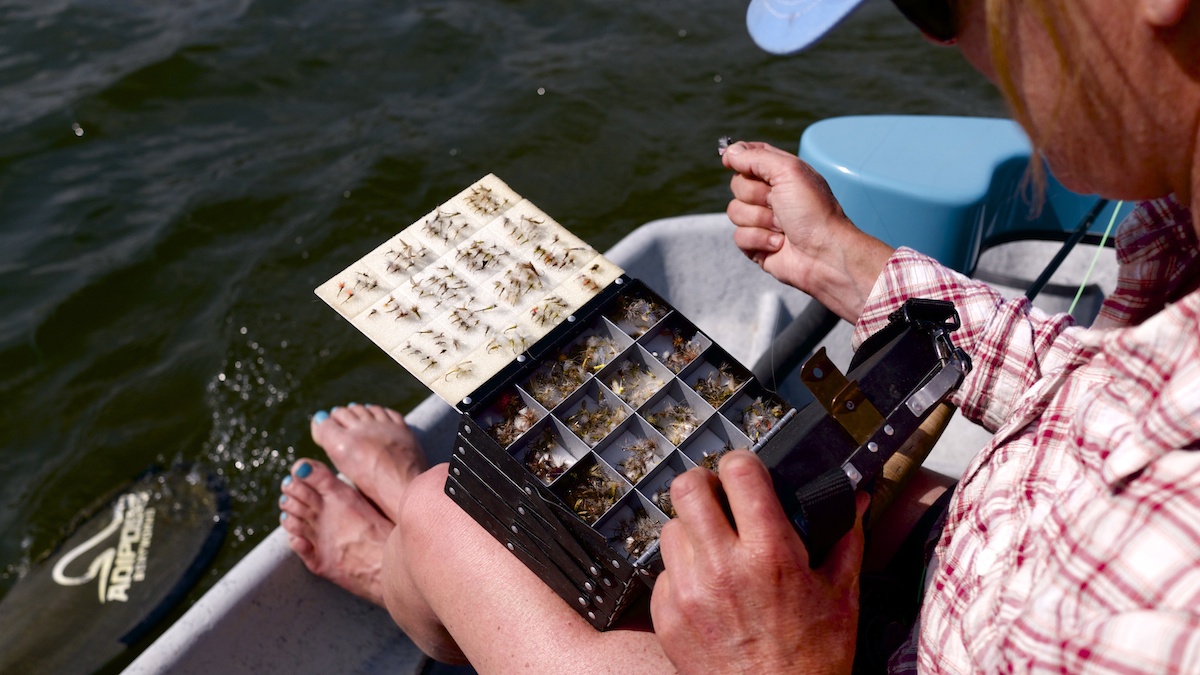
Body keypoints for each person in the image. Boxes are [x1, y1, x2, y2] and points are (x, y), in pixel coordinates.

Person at [279, 0, 1200, 671]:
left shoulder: (1163, 604)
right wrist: (848, 264)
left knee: (448, 510)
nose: (944, 41)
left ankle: (393, 555)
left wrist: (776, 659)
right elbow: (1098, 387)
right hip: (986, 541)